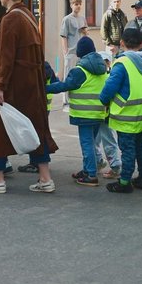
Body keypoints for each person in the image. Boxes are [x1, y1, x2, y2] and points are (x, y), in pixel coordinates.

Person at [0, 0, 58, 194]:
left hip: (12, 85)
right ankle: (45, 178)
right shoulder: (28, 16)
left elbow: (5, 57)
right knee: (34, 129)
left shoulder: (10, 19)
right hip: (30, 84)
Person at [45, 36, 108, 187]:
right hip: (99, 113)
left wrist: (44, 88)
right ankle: (87, 170)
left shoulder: (80, 71)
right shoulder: (102, 68)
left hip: (84, 114)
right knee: (91, 143)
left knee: (87, 144)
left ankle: (91, 174)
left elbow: (65, 86)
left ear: (80, 53)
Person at [99, 28, 142, 194]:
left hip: (126, 112)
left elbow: (110, 87)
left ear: (122, 43)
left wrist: (103, 99)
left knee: (127, 148)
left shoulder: (122, 63)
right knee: (141, 145)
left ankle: (124, 182)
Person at [58, 0, 89, 111]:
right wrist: (65, 51)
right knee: (68, 76)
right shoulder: (67, 19)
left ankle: (77, 99)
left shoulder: (82, 18)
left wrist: (85, 31)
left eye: (80, 4)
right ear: (71, 5)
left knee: (80, 75)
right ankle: (66, 102)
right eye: (76, 4)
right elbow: (63, 36)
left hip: (81, 53)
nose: (78, 6)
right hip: (71, 52)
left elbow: (86, 33)